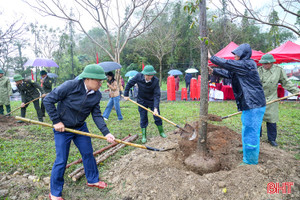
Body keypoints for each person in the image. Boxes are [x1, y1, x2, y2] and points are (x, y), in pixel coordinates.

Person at [43, 64, 115, 200]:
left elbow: (97, 115)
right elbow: (48, 100)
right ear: (87, 79)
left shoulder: (97, 95)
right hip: (63, 129)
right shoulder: (70, 86)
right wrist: (56, 121)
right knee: (61, 160)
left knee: (88, 153)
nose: (101, 84)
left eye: (101, 81)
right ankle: (55, 193)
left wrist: (106, 133)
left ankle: (92, 180)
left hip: (80, 127)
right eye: (98, 81)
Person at [208, 43, 266, 165]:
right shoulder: (242, 67)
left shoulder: (248, 64)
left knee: (251, 132)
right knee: (246, 129)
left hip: (254, 104)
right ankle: (247, 150)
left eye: (237, 54)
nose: (234, 56)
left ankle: (250, 161)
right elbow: (229, 74)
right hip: (249, 103)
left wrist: (211, 57)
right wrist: (214, 71)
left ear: (244, 55)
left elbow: (227, 64)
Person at [258, 54, 300, 147]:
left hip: (272, 97)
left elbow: (286, 82)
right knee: (258, 118)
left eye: (266, 64)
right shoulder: (259, 70)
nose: (264, 65)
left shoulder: (278, 70)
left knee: (272, 118)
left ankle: (272, 139)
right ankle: (257, 137)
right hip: (259, 98)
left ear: (271, 63)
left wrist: (296, 91)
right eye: (263, 63)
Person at [123, 65, 166, 143]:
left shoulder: (155, 81)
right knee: (143, 117)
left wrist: (155, 108)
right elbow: (129, 84)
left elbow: (157, 94)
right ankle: (144, 135)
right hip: (142, 101)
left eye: (152, 75)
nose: (151, 77)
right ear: (144, 74)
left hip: (152, 101)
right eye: (149, 75)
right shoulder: (138, 76)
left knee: (157, 116)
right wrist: (126, 94)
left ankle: (161, 132)